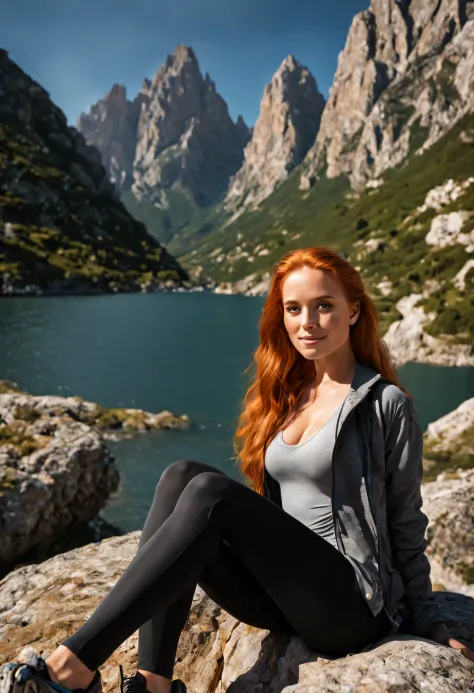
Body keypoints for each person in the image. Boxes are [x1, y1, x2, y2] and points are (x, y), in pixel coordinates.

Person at [3, 246, 473, 693]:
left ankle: (72, 667)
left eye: (323, 306)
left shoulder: (383, 404)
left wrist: (428, 617)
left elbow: (407, 519)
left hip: (349, 604)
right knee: (181, 474)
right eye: (293, 309)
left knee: (212, 493)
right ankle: (154, 684)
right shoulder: (290, 393)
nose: (306, 323)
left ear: (353, 310)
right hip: (282, 595)